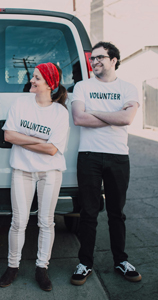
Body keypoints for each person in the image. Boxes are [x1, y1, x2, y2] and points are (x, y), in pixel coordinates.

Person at [70, 42, 142, 285]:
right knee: (88, 212)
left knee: (116, 213)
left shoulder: (128, 88)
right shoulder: (82, 86)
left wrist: (96, 111)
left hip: (118, 156)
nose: (95, 62)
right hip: (89, 155)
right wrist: (114, 115)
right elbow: (79, 118)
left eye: (101, 57)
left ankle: (121, 260)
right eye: (93, 58)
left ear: (114, 60)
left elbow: (127, 118)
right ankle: (84, 263)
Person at [0, 62, 69, 291]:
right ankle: (12, 266)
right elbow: (9, 135)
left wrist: (25, 138)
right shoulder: (21, 103)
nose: (31, 80)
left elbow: (52, 151)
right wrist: (41, 142)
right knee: (18, 221)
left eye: (37, 78)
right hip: (22, 170)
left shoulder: (60, 112)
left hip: (50, 172)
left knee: (46, 222)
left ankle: (42, 268)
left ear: (50, 84)